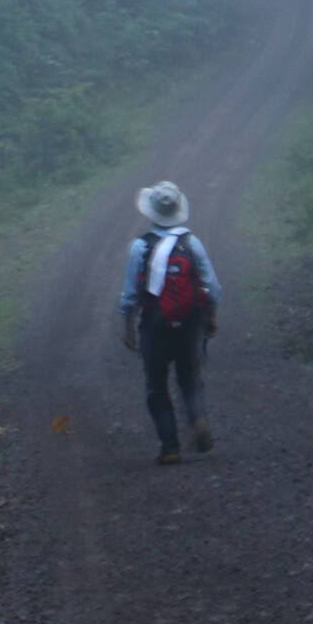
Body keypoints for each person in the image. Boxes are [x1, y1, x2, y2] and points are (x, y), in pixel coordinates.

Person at [120, 179, 221, 465]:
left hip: (155, 325)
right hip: (190, 323)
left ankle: (170, 446)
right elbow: (212, 287)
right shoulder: (192, 243)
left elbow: (129, 293)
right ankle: (198, 420)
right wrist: (210, 317)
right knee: (190, 378)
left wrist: (128, 324)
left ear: (151, 213)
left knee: (156, 384)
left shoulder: (140, 247)